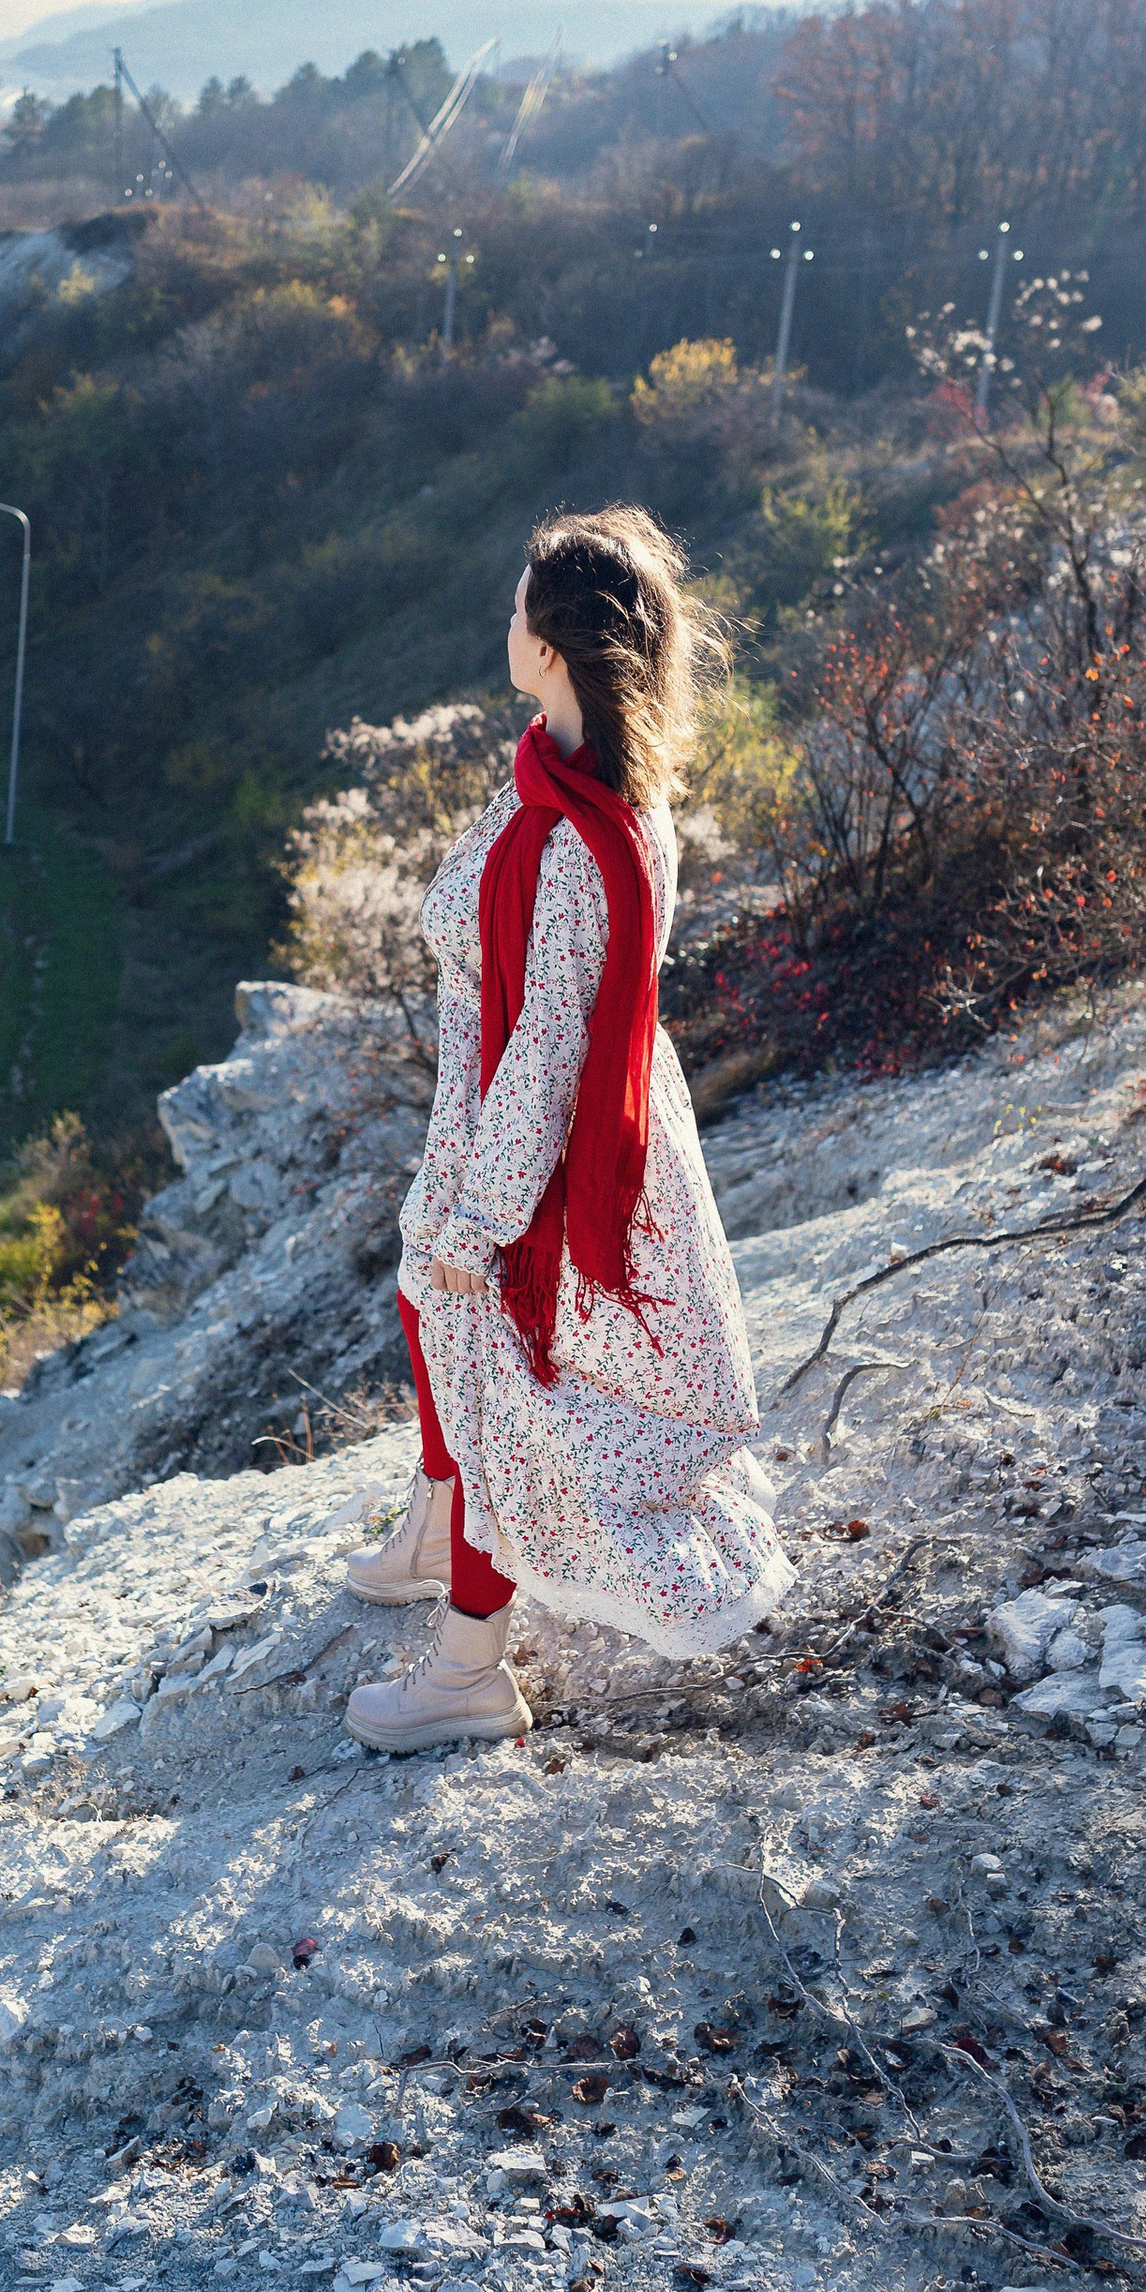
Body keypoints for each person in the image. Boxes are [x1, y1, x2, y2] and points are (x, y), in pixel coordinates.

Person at [343, 505, 792, 1752]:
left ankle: (468, 1671)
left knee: (502, 1376)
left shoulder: (581, 841)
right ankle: (440, 1520)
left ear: (547, 648)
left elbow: (547, 1051)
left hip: (539, 1140)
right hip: (488, 1106)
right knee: (425, 1310)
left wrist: (483, 1221)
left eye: (515, 611)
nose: (503, 626)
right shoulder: (559, 772)